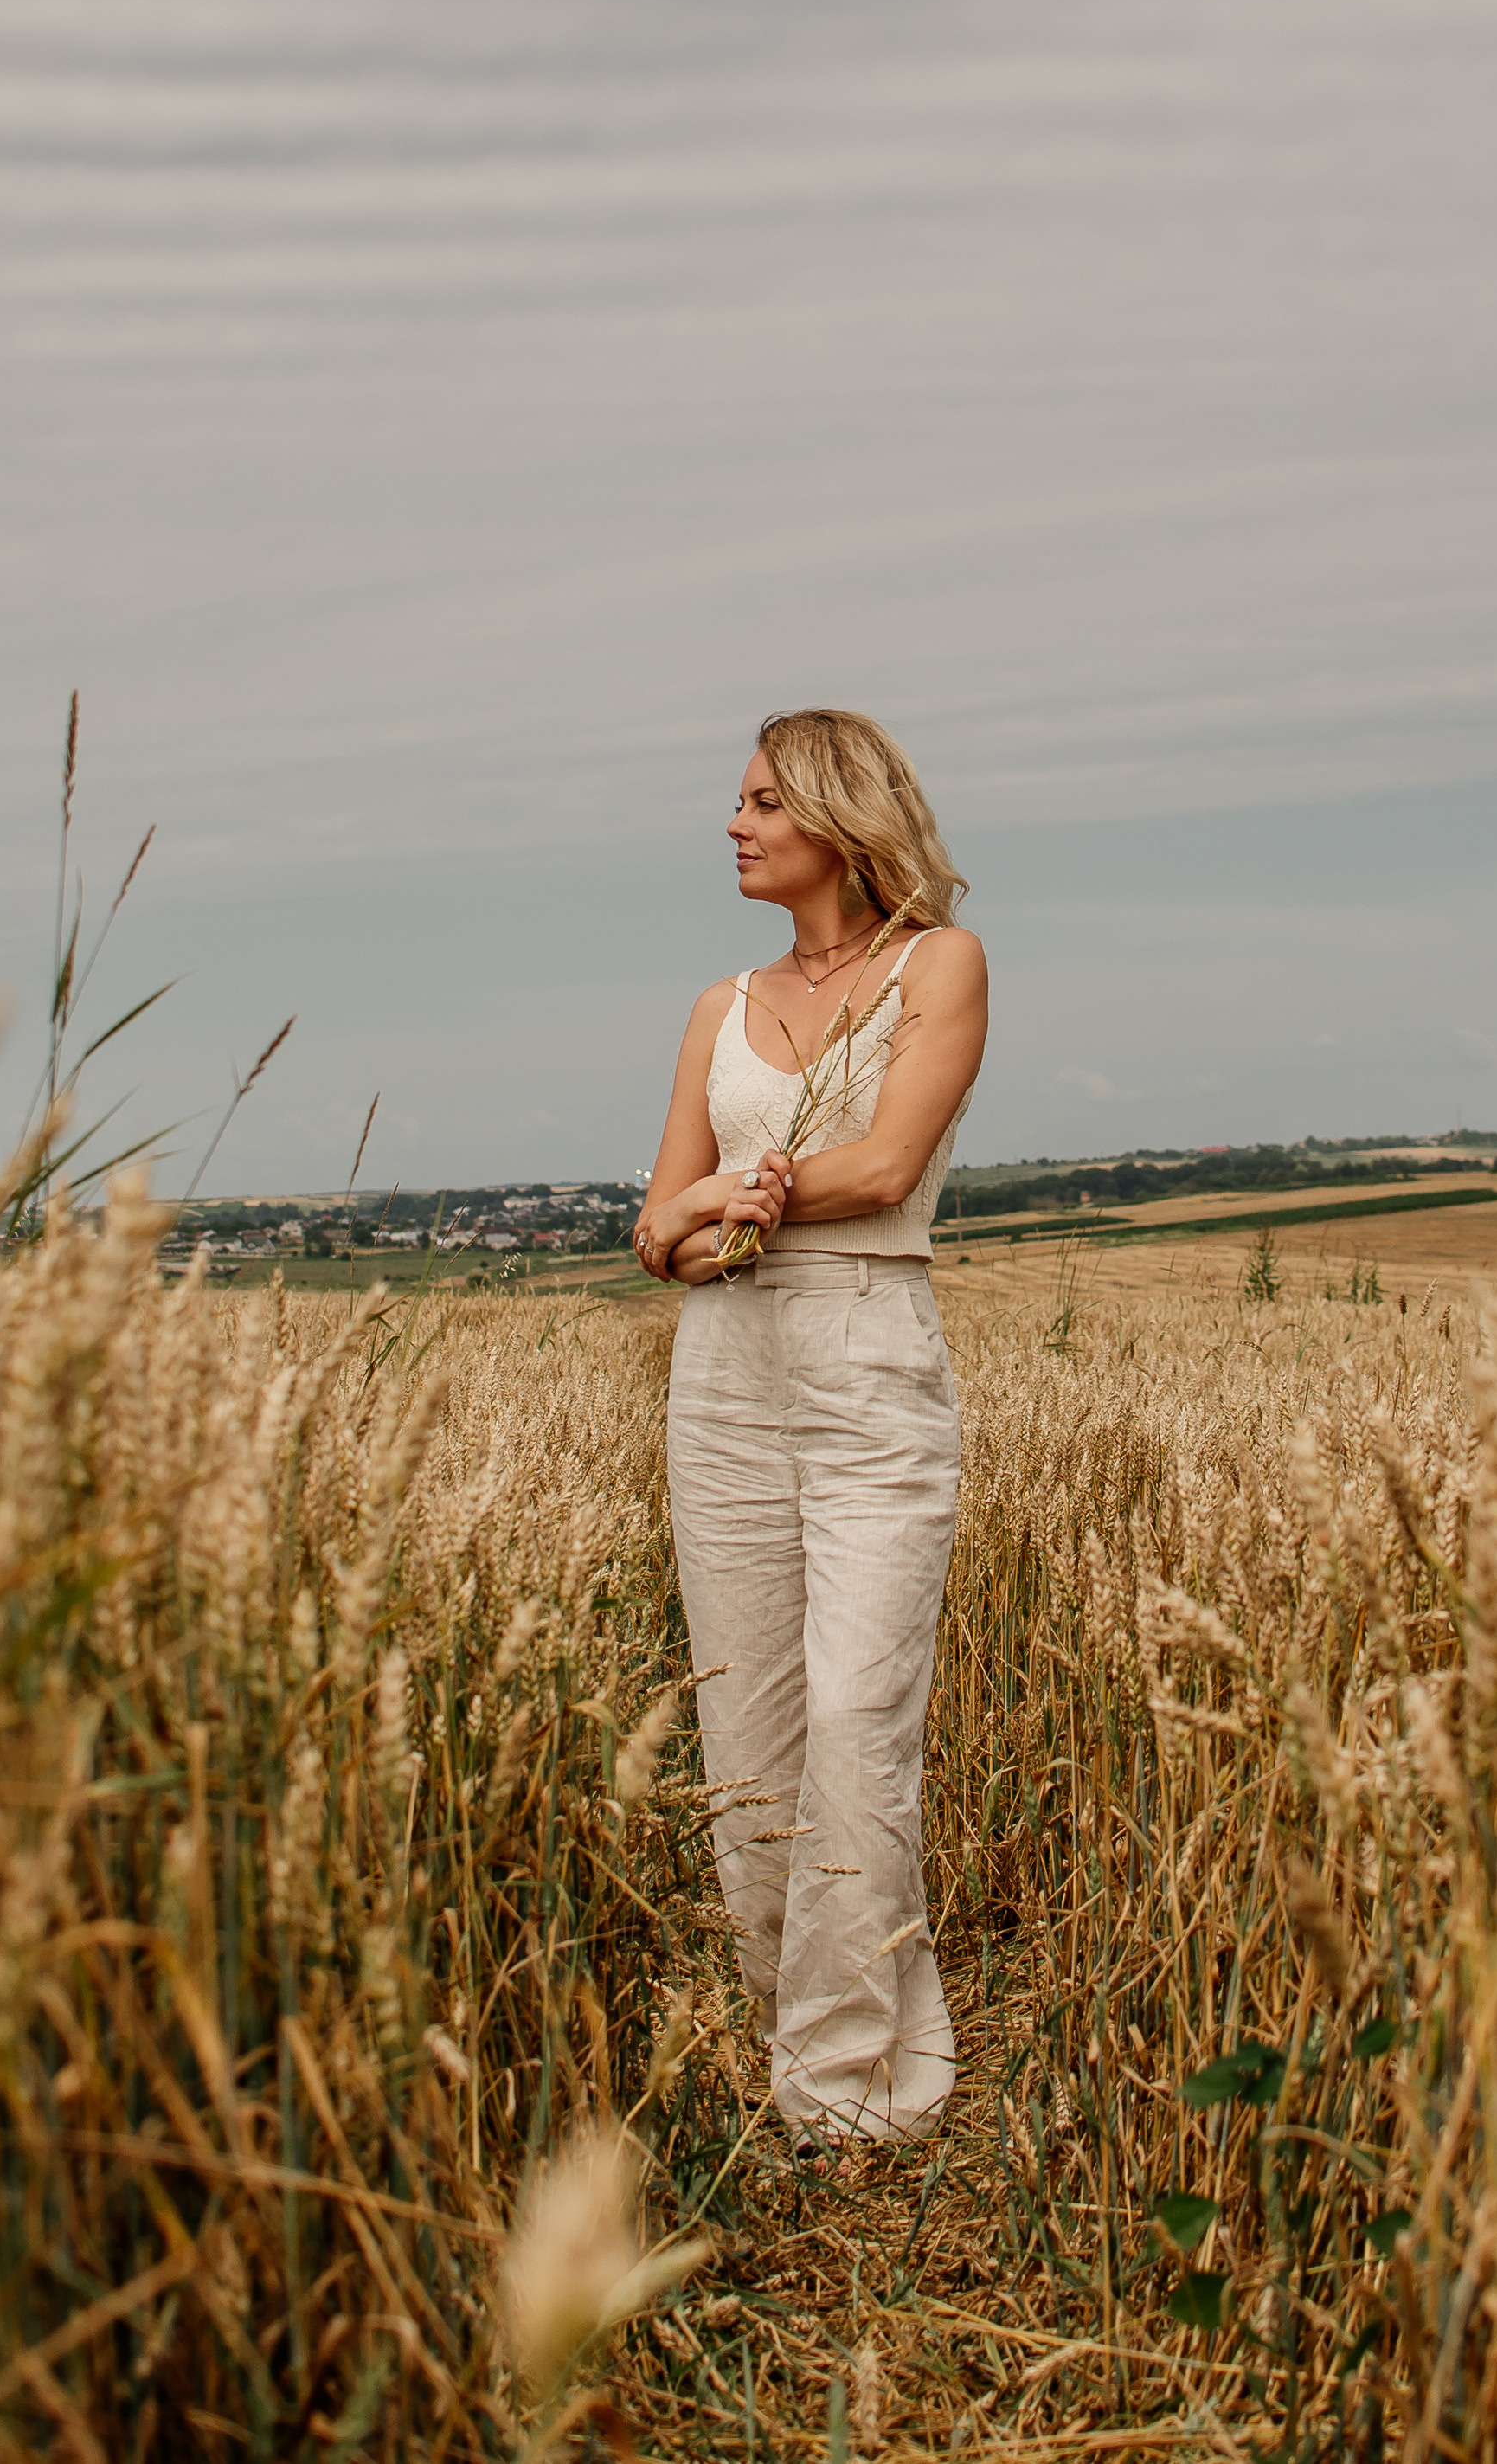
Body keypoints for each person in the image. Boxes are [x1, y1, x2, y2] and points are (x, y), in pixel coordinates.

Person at [633, 710, 987, 2145]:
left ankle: (845, 2086)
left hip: (865, 1356)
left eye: (764, 800)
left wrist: (730, 1200)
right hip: (723, 1371)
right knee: (750, 1726)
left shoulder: (937, 964)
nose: (735, 824)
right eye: (739, 801)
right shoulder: (717, 1007)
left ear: (841, 817)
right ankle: (798, 2021)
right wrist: (704, 1210)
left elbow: (889, 1164)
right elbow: (656, 1230)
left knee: (855, 1718)